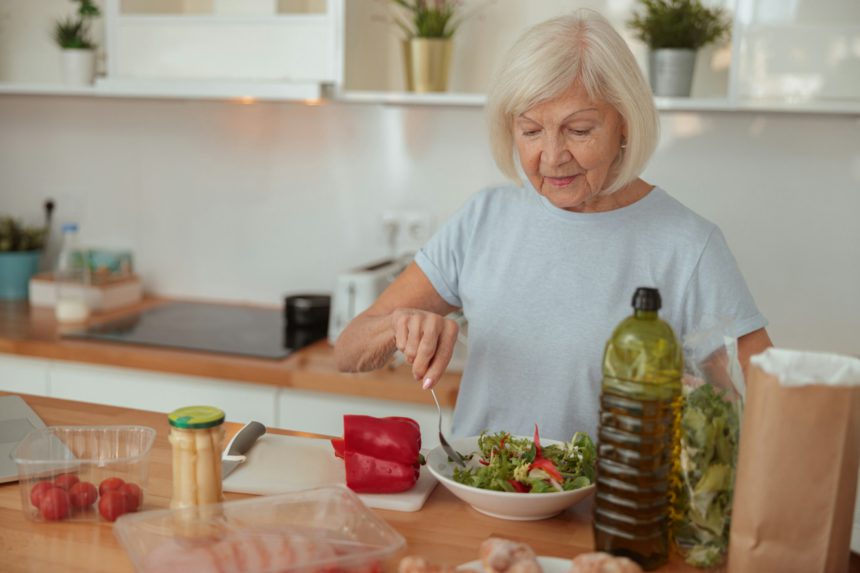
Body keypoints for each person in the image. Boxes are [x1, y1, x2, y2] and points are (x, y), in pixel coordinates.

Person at [334, 10, 772, 441]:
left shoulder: (689, 245)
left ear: (624, 122)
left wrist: (700, 409)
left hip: (613, 510)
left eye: (578, 130)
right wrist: (400, 326)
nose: (551, 155)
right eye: (530, 131)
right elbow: (348, 350)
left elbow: (764, 405)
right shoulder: (484, 218)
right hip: (478, 499)